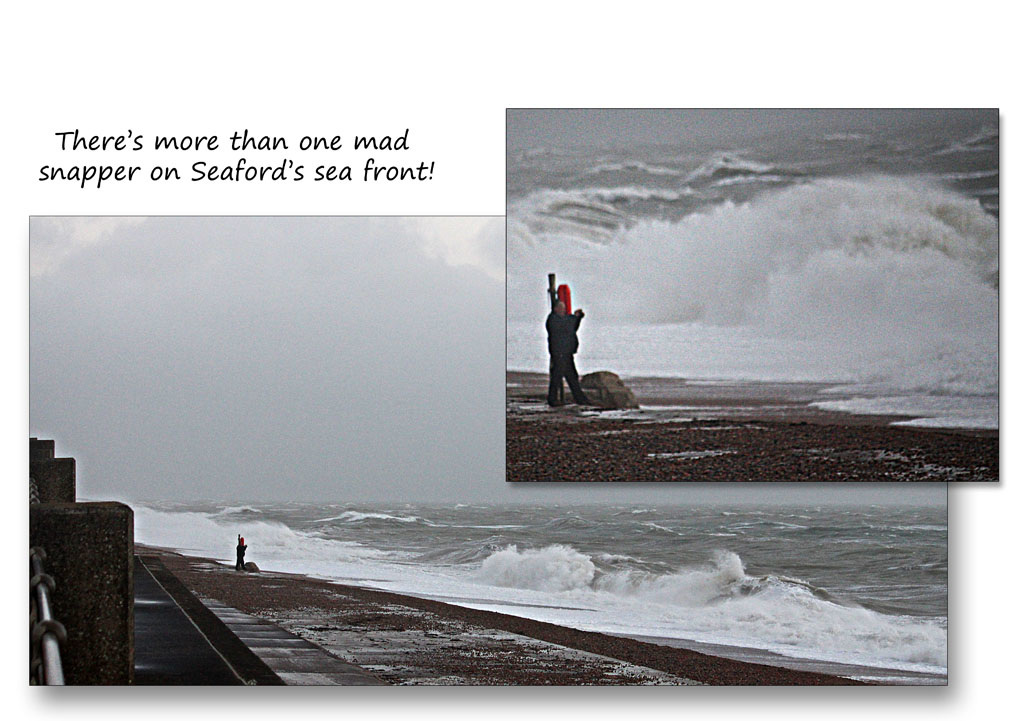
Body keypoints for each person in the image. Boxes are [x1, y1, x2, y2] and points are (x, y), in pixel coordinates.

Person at [546, 301, 592, 406]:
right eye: (561, 308)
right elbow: (566, 326)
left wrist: (578, 318)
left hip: (567, 353)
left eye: (564, 308)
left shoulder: (563, 319)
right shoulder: (553, 320)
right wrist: (574, 317)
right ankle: (553, 400)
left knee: (572, 377)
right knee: (557, 377)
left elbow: (572, 328)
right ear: (556, 309)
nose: (563, 310)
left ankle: (580, 399)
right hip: (559, 353)